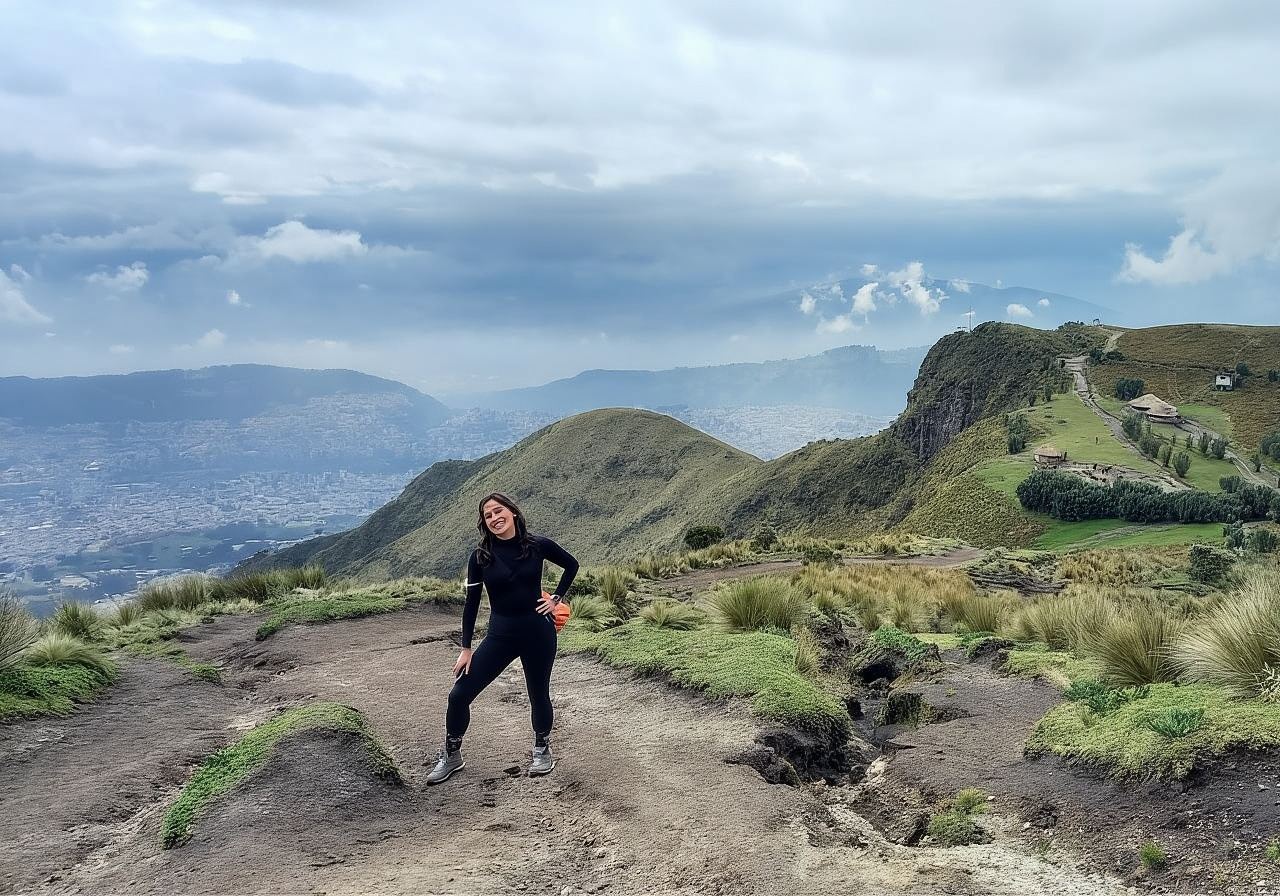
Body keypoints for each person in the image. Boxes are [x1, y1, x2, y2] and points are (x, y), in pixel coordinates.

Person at [425, 492, 579, 784]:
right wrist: (466, 648)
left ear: (513, 512)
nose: (495, 518)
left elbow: (572, 565)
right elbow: (471, 603)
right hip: (500, 635)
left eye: (499, 511)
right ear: (484, 523)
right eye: (488, 515)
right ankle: (452, 754)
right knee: (459, 695)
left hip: (538, 632)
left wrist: (556, 599)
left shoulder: (537, 545)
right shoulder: (480, 557)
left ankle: (542, 749)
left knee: (538, 694)